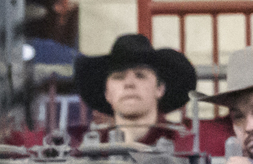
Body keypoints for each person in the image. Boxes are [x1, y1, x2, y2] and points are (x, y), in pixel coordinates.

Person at [16, 33, 233, 153]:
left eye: (140, 75)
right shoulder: (78, 143)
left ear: (160, 89)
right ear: (107, 93)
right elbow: (18, 145)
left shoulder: (194, 140)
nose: (129, 83)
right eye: (119, 77)